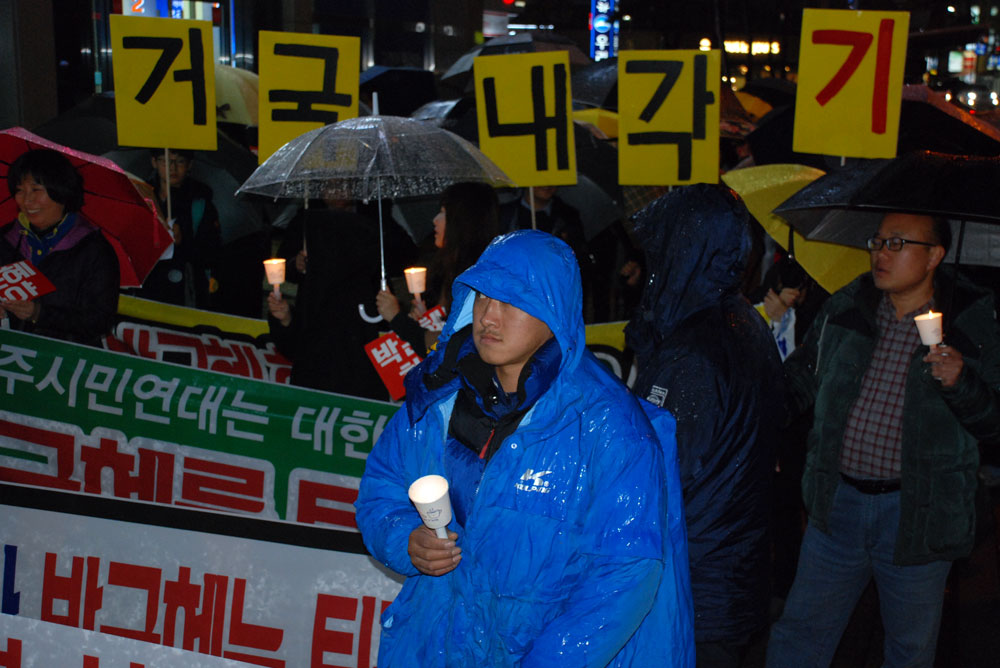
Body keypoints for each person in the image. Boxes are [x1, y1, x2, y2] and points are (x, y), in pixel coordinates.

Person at [355, 230, 694, 667]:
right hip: (434, 644)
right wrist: (406, 540)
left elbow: (625, 574)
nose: (488, 317)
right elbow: (382, 489)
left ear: (555, 312)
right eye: (481, 297)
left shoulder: (610, 426)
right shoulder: (437, 397)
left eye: (512, 302)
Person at [766, 212, 1000, 667]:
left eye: (897, 244)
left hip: (918, 515)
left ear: (934, 255)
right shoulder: (849, 307)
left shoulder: (971, 321)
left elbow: (994, 423)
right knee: (801, 635)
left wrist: (963, 384)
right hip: (837, 508)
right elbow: (799, 380)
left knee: (909, 650)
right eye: (878, 241)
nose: (880, 253)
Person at [625, 184, 784, 667]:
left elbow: (657, 470)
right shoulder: (740, 320)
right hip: (731, 570)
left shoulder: (694, 352)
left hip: (698, 583)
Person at [267, 199, 386, 399]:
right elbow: (296, 349)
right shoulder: (314, 293)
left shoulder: (370, 297)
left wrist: (398, 318)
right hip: (312, 399)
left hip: (354, 404)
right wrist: (286, 319)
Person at [0, 149, 119, 346]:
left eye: (36, 190)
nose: (27, 201)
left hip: (65, 365)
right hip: (12, 361)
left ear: (61, 191)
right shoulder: (6, 239)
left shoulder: (92, 249)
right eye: (20, 190)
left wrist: (38, 313)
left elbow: (100, 321)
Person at [376, 181, 500, 356]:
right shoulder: (454, 269)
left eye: (443, 212)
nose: (435, 220)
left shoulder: (474, 279)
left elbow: (452, 343)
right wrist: (427, 319)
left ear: (461, 221)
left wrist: (397, 319)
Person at [136, 149, 221, 309]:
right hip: (149, 283)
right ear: (154, 162)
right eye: (165, 161)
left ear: (189, 165)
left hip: (184, 288)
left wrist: (183, 241)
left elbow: (211, 252)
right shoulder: (143, 196)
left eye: (180, 162)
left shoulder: (199, 203)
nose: (172, 168)